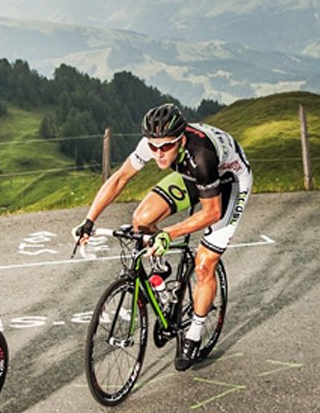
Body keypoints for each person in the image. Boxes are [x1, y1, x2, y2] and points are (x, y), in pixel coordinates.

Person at [74, 103, 251, 370]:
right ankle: (160, 268)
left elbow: (212, 213)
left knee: (204, 266)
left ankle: (195, 332)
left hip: (229, 181)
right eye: (153, 146)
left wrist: (168, 233)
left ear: (180, 140)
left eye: (165, 147)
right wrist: (89, 220)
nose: (158, 153)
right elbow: (120, 178)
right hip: (191, 176)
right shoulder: (154, 145)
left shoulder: (201, 155)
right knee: (141, 220)